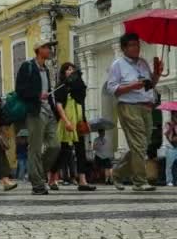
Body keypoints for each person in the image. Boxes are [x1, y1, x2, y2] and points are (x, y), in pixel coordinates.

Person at [106, 33, 163, 192]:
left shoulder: (143, 63)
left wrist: (157, 74)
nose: (136, 48)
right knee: (138, 144)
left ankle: (117, 172)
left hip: (146, 106)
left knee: (141, 145)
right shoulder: (118, 64)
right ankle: (139, 181)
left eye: (137, 45)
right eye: (132, 45)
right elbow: (112, 88)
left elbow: (151, 84)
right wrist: (132, 86)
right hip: (129, 105)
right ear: (124, 48)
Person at [15, 40, 61, 195]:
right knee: (35, 148)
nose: (50, 49)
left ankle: (37, 174)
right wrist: (37, 95)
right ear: (38, 49)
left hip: (49, 110)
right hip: (35, 111)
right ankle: (37, 184)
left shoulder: (46, 69)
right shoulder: (27, 66)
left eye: (50, 47)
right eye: (47, 47)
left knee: (55, 145)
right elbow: (19, 90)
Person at [49, 63, 96, 192]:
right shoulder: (61, 86)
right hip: (67, 120)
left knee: (81, 151)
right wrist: (66, 121)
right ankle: (52, 176)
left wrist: (84, 120)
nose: (71, 71)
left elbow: (82, 101)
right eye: (68, 69)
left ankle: (82, 180)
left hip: (79, 119)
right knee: (63, 152)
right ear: (63, 73)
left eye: (72, 69)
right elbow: (58, 105)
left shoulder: (79, 86)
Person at [164, 112, 177, 187]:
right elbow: (166, 135)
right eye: (175, 114)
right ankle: (169, 181)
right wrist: (171, 127)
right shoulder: (168, 123)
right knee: (170, 165)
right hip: (171, 147)